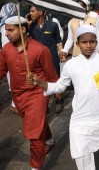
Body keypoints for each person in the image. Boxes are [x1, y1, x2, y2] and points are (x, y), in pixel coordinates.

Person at [27, 25, 99, 170]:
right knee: (81, 153)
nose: (88, 46)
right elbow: (59, 87)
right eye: (84, 42)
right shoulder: (71, 65)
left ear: (96, 42)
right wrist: (39, 82)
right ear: (77, 44)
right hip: (80, 117)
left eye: (92, 42)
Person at [0, 16, 58, 170]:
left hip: (37, 95)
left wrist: (57, 92)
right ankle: (50, 140)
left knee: (34, 134)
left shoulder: (40, 49)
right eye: (6, 30)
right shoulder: (6, 49)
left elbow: (51, 74)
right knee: (37, 124)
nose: (6, 33)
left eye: (10, 30)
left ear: (23, 29)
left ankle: (35, 166)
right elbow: (1, 70)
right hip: (18, 97)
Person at [28, 5, 65, 114]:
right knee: (40, 82)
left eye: (32, 11)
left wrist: (62, 53)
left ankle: (59, 101)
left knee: (56, 80)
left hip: (52, 59)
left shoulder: (52, 25)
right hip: (37, 61)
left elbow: (58, 41)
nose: (30, 13)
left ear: (40, 12)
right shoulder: (31, 27)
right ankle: (44, 104)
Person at [0, 2, 18, 114]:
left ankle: (16, 104)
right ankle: (15, 104)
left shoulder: (4, 25)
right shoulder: (6, 26)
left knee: (14, 80)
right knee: (13, 80)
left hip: (11, 57)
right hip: (9, 58)